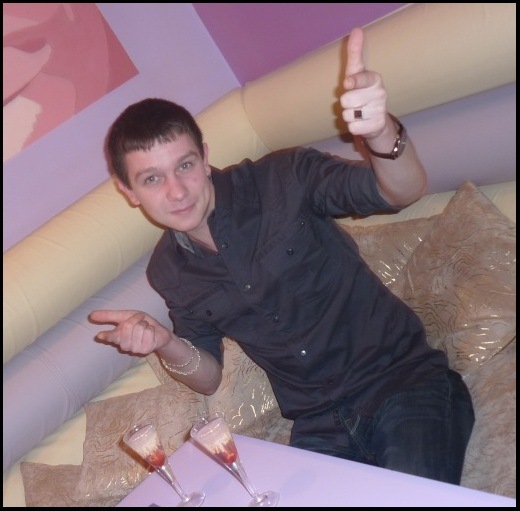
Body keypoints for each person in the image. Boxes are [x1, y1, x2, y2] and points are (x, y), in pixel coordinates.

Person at [90, 27, 474, 484]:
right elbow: (208, 377)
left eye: (185, 166)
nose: (176, 192)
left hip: (401, 384)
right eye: (152, 179)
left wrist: (380, 132)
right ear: (129, 191)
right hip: (319, 424)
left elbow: (400, 191)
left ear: (205, 157)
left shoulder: (283, 177)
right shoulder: (169, 271)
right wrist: (163, 342)